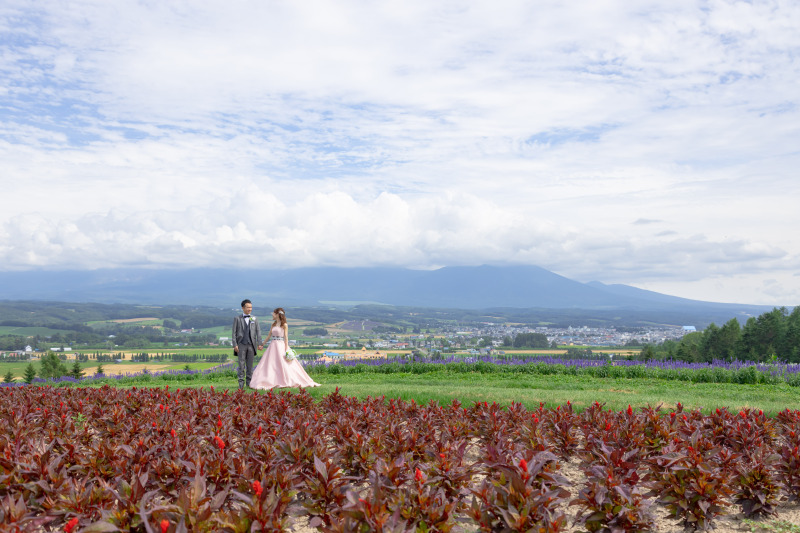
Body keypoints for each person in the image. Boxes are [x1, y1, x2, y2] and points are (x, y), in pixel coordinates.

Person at [250, 307, 320, 389]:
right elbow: (269, 336)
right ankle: (270, 380)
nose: (272, 315)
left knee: (283, 363)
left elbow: (286, 338)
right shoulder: (273, 324)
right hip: (273, 345)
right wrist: (262, 344)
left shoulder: (284, 325)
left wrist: (286, 349)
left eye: (273, 313)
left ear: (277, 314)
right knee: (271, 363)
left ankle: (286, 379)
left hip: (280, 345)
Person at [232, 299, 263, 390]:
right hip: (241, 344)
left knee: (250, 366)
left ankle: (249, 384)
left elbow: (258, 332)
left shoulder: (254, 318)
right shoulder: (237, 318)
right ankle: (241, 385)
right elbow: (234, 333)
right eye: (248, 307)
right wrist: (235, 344)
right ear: (243, 308)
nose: (250, 309)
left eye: (251, 307)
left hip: (251, 345)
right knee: (241, 365)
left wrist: (260, 343)